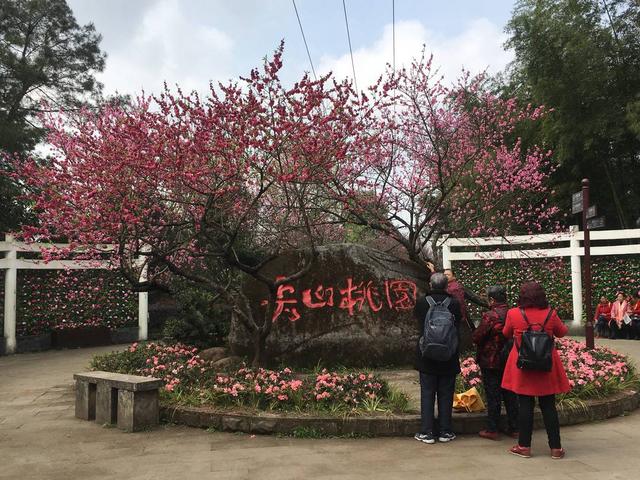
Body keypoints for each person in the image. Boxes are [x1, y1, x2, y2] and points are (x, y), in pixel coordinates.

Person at [502, 281, 570, 459]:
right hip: (546, 365)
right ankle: (556, 448)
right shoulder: (551, 313)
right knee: (549, 405)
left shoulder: (514, 313)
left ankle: (524, 446)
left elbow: (506, 333)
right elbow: (562, 332)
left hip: (523, 365)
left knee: (524, 405)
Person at [413, 272, 461, 445]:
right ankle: (445, 431)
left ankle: (426, 432)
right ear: (447, 285)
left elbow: (418, 322)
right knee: (446, 394)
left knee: (427, 393)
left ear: (430, 285)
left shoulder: (421, 302)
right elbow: (458, 325)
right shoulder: (454, 304)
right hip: (449, 355)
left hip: (427, 356)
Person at [472, 285, 519, 440]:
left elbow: (477, 337)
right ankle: (514, 428)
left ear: (491, 299)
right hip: (510, 359)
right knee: (511, 394)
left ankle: (493, 429)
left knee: (493, 395)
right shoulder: (514, 313)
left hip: (491, 360)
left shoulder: (490, 316)